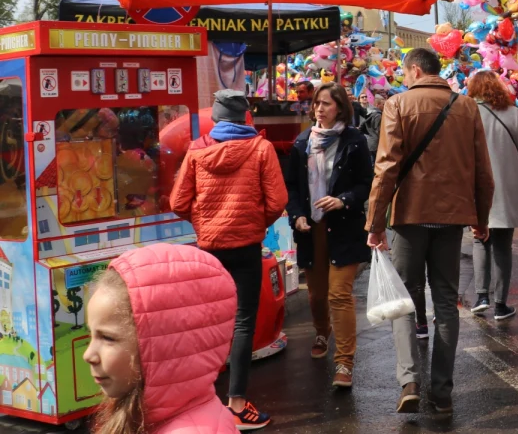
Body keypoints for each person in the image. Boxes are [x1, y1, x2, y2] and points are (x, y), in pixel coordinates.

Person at [366, 47, 494, 415]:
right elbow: (482, 172)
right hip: (452, 218)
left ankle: (409, 381)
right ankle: (442, 392)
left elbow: (386, 168)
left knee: (405, 300)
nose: (404, 80)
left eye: (405, 74)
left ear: (415, 71)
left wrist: (375, 224)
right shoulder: (467, 106)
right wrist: (480, 219)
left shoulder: (399, 104)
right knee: (445, 302)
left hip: (408, 215)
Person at [170, 90, 286, 430]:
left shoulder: (196, 149)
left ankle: (200, 398)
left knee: (206, 320)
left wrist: (203, 223)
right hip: (246, 247)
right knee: (242, 322)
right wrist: (256, 222)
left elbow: (178, 202)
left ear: (218, 118)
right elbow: (278, 200)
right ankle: (236, 403)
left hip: (209, 250)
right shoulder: (260, 149)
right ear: (245, 117)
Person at [84, 243, 239, 434]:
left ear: (167, 347)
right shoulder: (148, 413)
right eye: (91, 335)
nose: (88, 355)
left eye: (108, 338)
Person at [284, 83, 374, 390]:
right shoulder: (301, 142)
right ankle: (322, 332)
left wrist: (344, 199)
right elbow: (292, 187)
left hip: (345, 228)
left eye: (327, 104)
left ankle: (345, 362)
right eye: (317, 103)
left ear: (340, 108)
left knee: (339, 294)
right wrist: (296, 214)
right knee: (317, 293)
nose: (320, 109)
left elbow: (366, 182)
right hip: (312, 230)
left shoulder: (354, 140)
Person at [467, 70, 518, 320]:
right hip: (510, 188)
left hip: (477, 188)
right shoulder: (513, 113)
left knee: (480, 239)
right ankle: (500, 304)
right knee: (502, 246)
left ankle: (481, 296)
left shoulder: (466, 113)